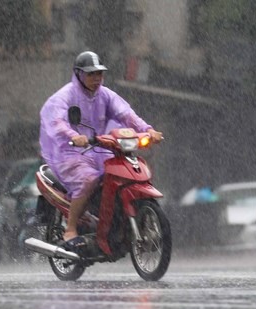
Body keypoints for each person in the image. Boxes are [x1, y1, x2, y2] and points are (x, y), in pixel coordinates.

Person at [39, 51, 163, 247]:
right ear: (79, 74)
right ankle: (70, 229)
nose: (96, 79)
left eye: (99, 74)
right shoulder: (65, 96)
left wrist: (148, 130)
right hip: (69, 152)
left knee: (123, 175)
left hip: (99, 149)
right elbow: (57, 122)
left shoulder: (105, 95)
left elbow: (127, 115)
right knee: (89, 179)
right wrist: (74, 136)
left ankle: (112, 222)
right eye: (91, 74)